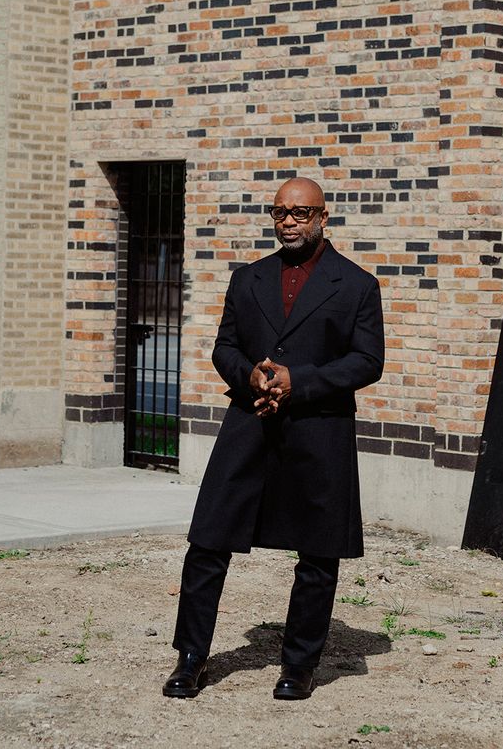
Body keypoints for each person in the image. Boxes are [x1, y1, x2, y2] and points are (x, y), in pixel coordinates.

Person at [163, 177, 385, 700]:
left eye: (301, 213)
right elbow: (225, 346)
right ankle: (190, 658)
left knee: (317, 553)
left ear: (323, 217)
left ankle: (300, 664)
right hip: (249, 424)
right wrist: (251, 376)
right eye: (280, 212)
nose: (289, 221)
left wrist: (297, 381)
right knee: (208, 542)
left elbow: (367, 361)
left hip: (319, 429)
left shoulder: (356, 285)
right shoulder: (248, 279)